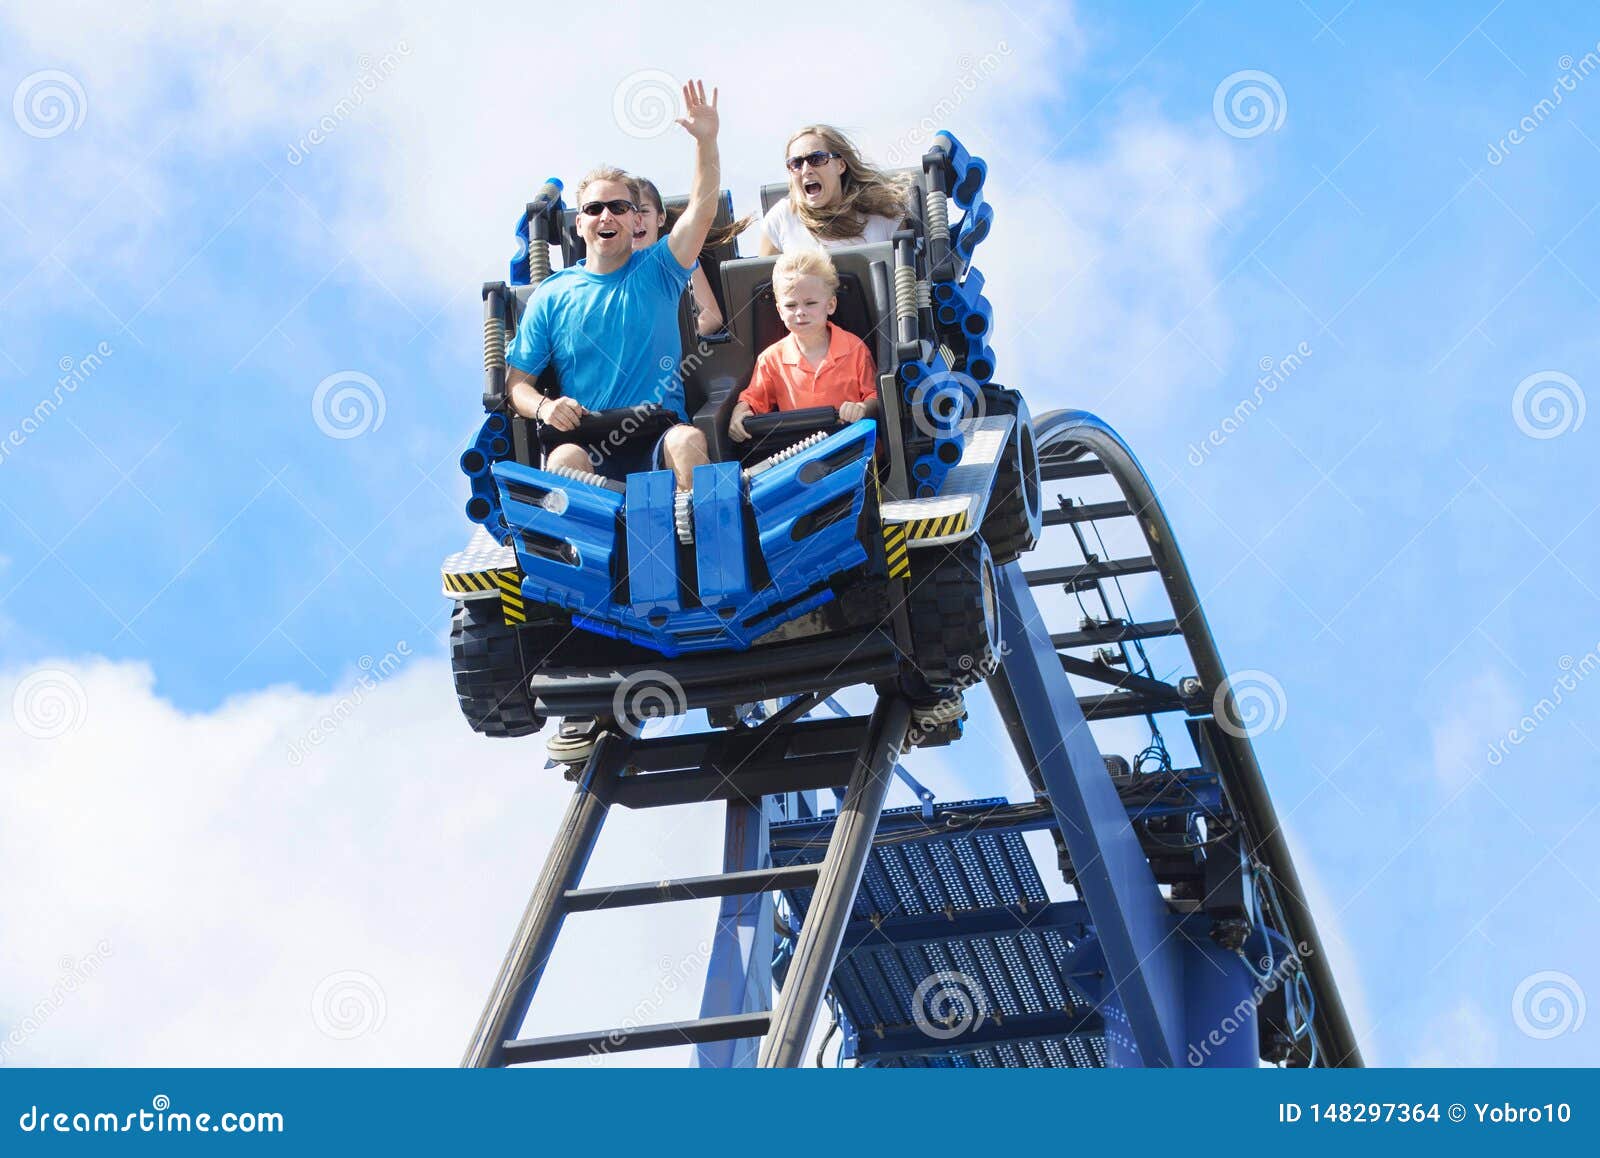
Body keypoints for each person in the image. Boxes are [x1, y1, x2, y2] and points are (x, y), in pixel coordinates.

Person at [504, 79, 721, 494]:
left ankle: (702, 544)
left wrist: (705, 143)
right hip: (590, 443)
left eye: (619, 207)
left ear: (636, 220)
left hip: (658, 432)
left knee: (689, 441)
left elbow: (703, 209)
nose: (607, 216)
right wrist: (547, 408)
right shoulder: (551, 294)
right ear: (579, 222)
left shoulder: (660, 268)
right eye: (594, 208)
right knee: (563, 461)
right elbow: (517, 386)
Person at [728, 249, 878, 442]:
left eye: (810, 303)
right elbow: (752, 400)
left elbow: (875, 397)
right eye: (791, 305)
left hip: (852, 448)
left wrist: (862, 409)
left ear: (831, 305)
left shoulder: (855, 348)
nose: (800, 312)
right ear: (780, 311)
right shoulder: (770, 359)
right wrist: (738, 414)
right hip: (799, 455)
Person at [758, 125, 909, 254]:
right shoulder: (780, 220)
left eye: (816, 159)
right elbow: (761, 285)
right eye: (796, 163)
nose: (805, 170)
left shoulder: (885, 216)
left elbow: (909, 282)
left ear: (841, 165)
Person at [632, 176, 749, 336]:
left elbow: (711, 316)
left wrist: (679, 341)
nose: (637, 220)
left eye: (644, 211)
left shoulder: (681, 256)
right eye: (629, 212)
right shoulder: (610, 267)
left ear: (660, 218)